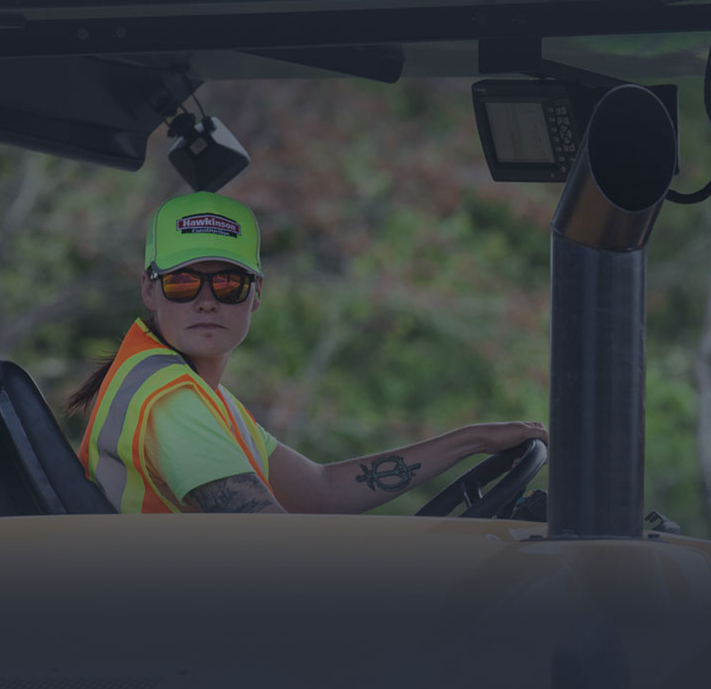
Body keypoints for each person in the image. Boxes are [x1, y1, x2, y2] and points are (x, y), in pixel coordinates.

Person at [68, 190, 547, 514]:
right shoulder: (171, 402)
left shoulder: (203, 396)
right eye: (183, 282)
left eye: (229, 283)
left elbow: (321, 491)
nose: (207, 299)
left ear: (256, 295)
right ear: (149, 291)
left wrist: (472, 441)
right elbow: (280, 549)